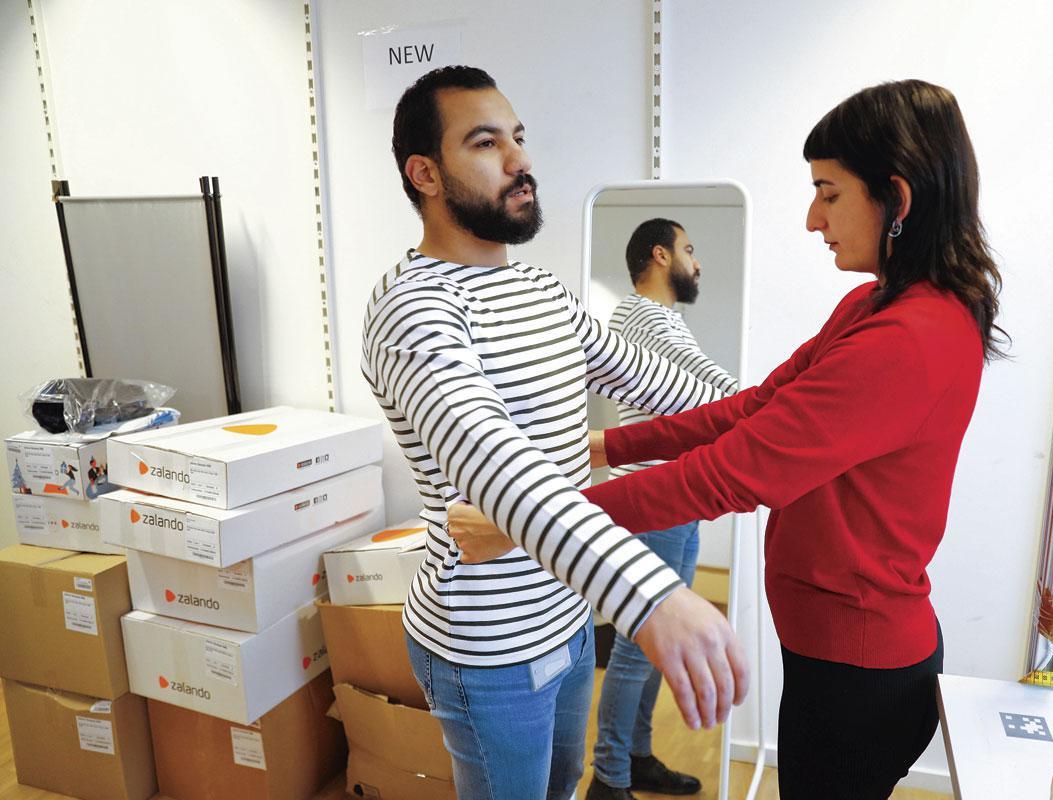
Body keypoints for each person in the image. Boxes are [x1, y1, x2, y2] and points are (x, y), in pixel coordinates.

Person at [452, 79, 1005, 799]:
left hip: (859, 668)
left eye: (829, 193)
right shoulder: (875, 305)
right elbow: (754, 408)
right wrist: (604, 448)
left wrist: (527, 523)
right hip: (834, 649)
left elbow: (731, 473)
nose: (813, 218)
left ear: (896, 199)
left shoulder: (910, 337)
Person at [361, 66, 748, 800]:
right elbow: (501, 466)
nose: (520, 161)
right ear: (426, 174)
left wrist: (779, 414)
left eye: (519, 138)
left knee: (563, 782)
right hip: (491, 643)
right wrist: (652, 597)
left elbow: (657, 383)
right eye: (486, 143)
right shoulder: (412, 310)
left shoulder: (538, 290)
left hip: (567, 613)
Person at [588, 219, 738, 800]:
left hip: (673, 494)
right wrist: (770, 405)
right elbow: (709, 387)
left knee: (656, 643)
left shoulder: (663, 318)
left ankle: (634, 757)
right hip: (653, 500)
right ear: (660, 254)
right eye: (689, 250)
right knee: (638, 643)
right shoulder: (642, 317)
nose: (696, 263)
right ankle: (609, 778)